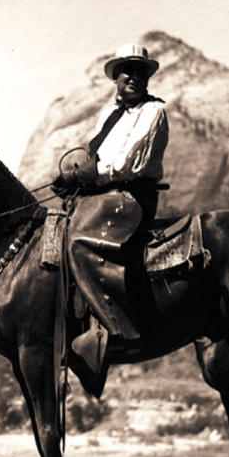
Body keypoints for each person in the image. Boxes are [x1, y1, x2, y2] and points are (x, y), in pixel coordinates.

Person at [53, 43, 169, 374]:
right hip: (105, 194)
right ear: (116, 78)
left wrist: (87, 176)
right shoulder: (109, 114)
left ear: (147, 78)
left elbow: (128, 164)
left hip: (130, 197)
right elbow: (95, 154)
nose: (133, 76)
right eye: (126, 71)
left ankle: (116, 328)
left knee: (78, 241)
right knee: (59, 229)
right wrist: (71, 175)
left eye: (140, 71)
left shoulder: (154, 112)